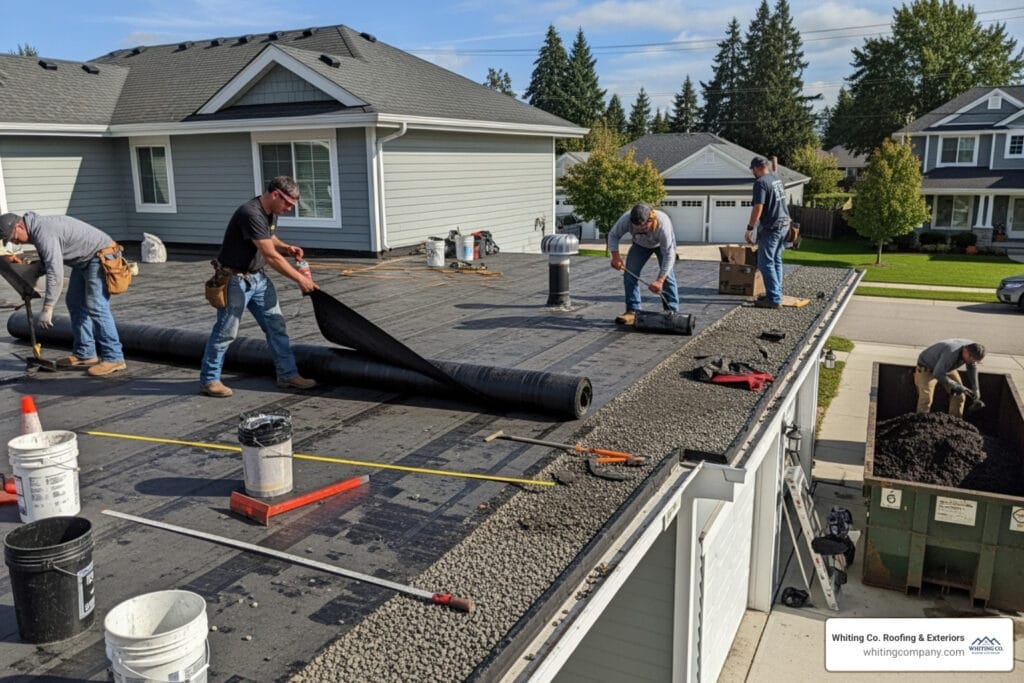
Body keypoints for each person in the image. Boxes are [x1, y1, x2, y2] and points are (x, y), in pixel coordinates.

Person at [199, 176, 318, 397]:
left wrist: (287, 248)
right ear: (275, 195)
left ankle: (288, 374)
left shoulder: (270, 212)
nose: (289, 210)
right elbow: (271, 256)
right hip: (234, 280)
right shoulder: (250, 213)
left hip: (258, 279)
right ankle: (209, 380)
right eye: (288, 204)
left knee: (276, 326)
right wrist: (301, 279)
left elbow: (269, 238)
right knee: (226, 331)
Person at [0, 211, 127, 376]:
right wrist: (29, 273)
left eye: (14, 237)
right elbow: (47, 261)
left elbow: (55, 272)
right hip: (84, 260)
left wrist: (48, 307)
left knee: (96, 306)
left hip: (100, 256)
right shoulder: (37, 229)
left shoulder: (43, 232)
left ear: (20, 226)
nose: (15, 241)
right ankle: (85, 353)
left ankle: (114, 357)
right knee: (75, 302)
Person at [607, 203, 679, 325]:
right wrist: (616, 257)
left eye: (644, 227)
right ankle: (633, 311)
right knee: (629, 275)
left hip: (661, 246)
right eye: (637, 227)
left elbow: (669, 255)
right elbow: (613, 235)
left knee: (668, 277)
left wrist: (660, 280)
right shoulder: (626, 219)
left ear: (651, 219)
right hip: (640, 245)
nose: (640, 229)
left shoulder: (663, 224)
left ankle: (672, 313)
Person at [745, 156, 791, 309]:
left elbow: (758, 207)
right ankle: (776, 293)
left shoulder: (760, 183)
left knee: (765, 263)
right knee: (776, 260)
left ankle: (774, 299)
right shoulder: (775, 178)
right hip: (785, 225)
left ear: (757, 168)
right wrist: (775, 163)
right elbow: (775, 171)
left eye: (753, 170)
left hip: (772, 228)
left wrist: (750, 228)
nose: (753, 173)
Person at [914, 339, 985, 417]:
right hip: (927, 367)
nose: (971, 361)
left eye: (974, 360)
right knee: (926, 399)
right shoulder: (951, 353)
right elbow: (938, 373)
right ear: (965, 350)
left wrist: (976, 388)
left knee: (959, 395)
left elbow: (972, 367)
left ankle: (955, 422)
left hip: (946, 366)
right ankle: (921, 422)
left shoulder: (973, 349)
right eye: (971, 358)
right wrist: (956, 385)